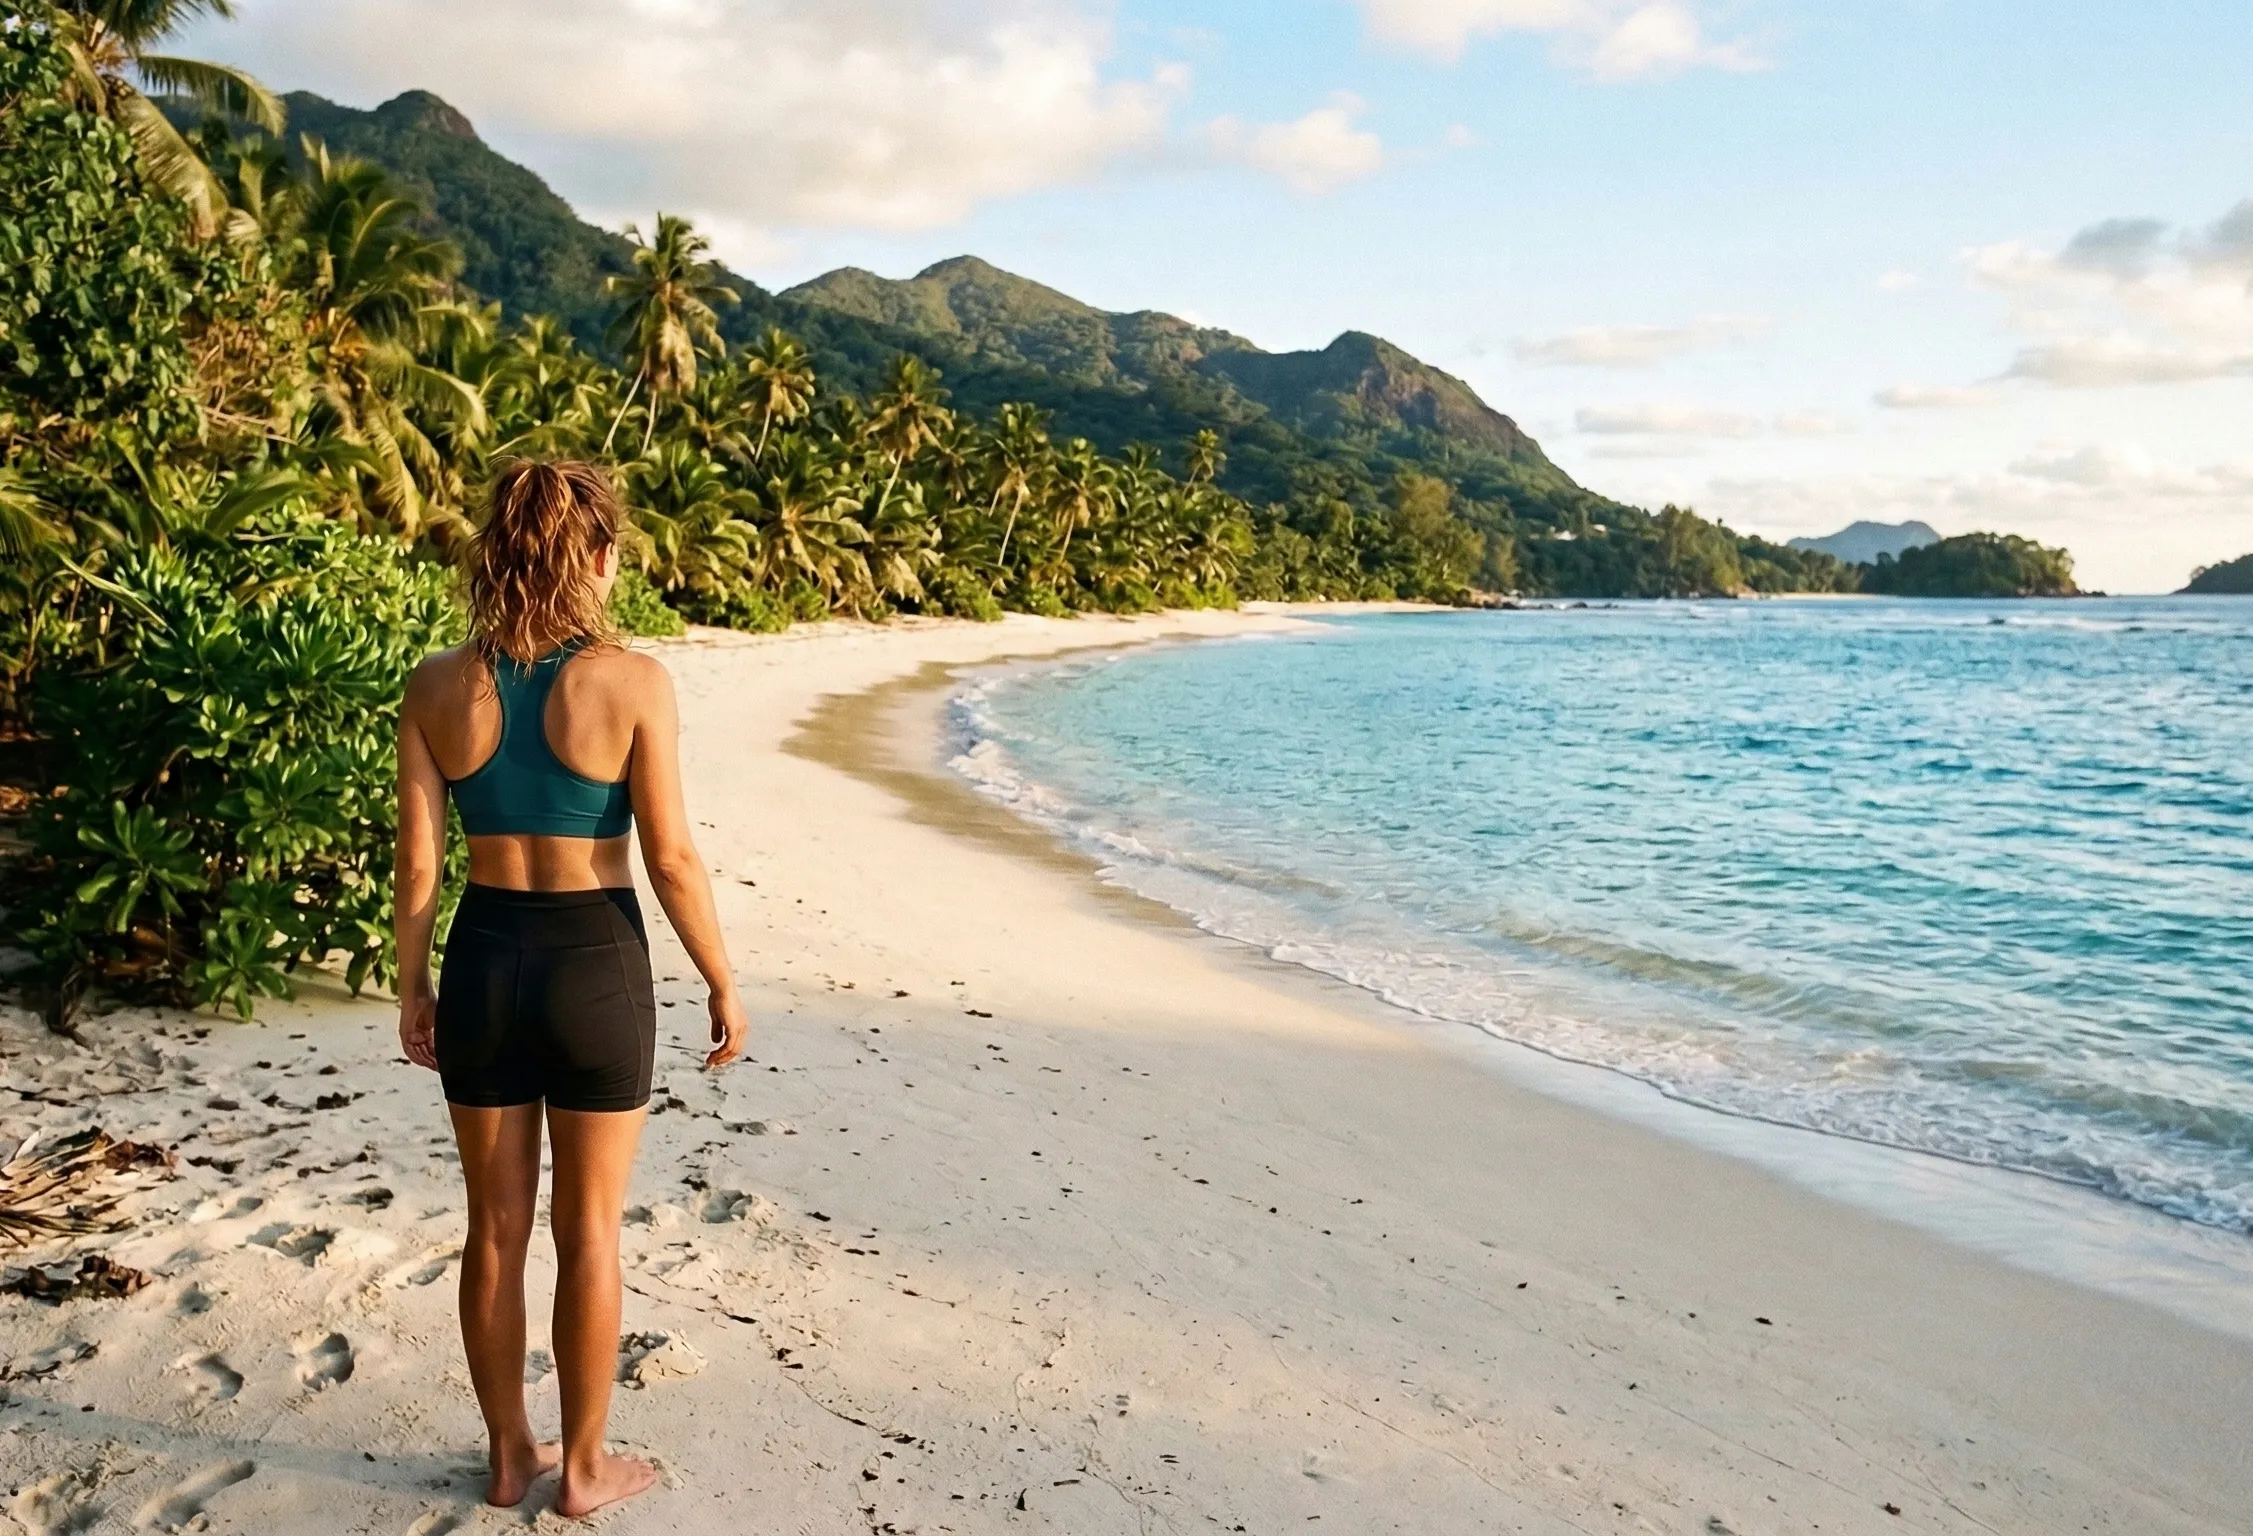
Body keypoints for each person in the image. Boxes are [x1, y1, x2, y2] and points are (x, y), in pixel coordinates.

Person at [392, 459, 749, 1518]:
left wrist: (415, 987)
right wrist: (722, 979)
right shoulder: (634, 682)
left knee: (493, 1228)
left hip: (487, 958)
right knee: (589, 1230)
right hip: (597, 960)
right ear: (599, 558)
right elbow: (673, 858)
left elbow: (419, 869)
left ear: (492, 555)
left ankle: (510, 1457)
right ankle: (583, 1469)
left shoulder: (435, 685)